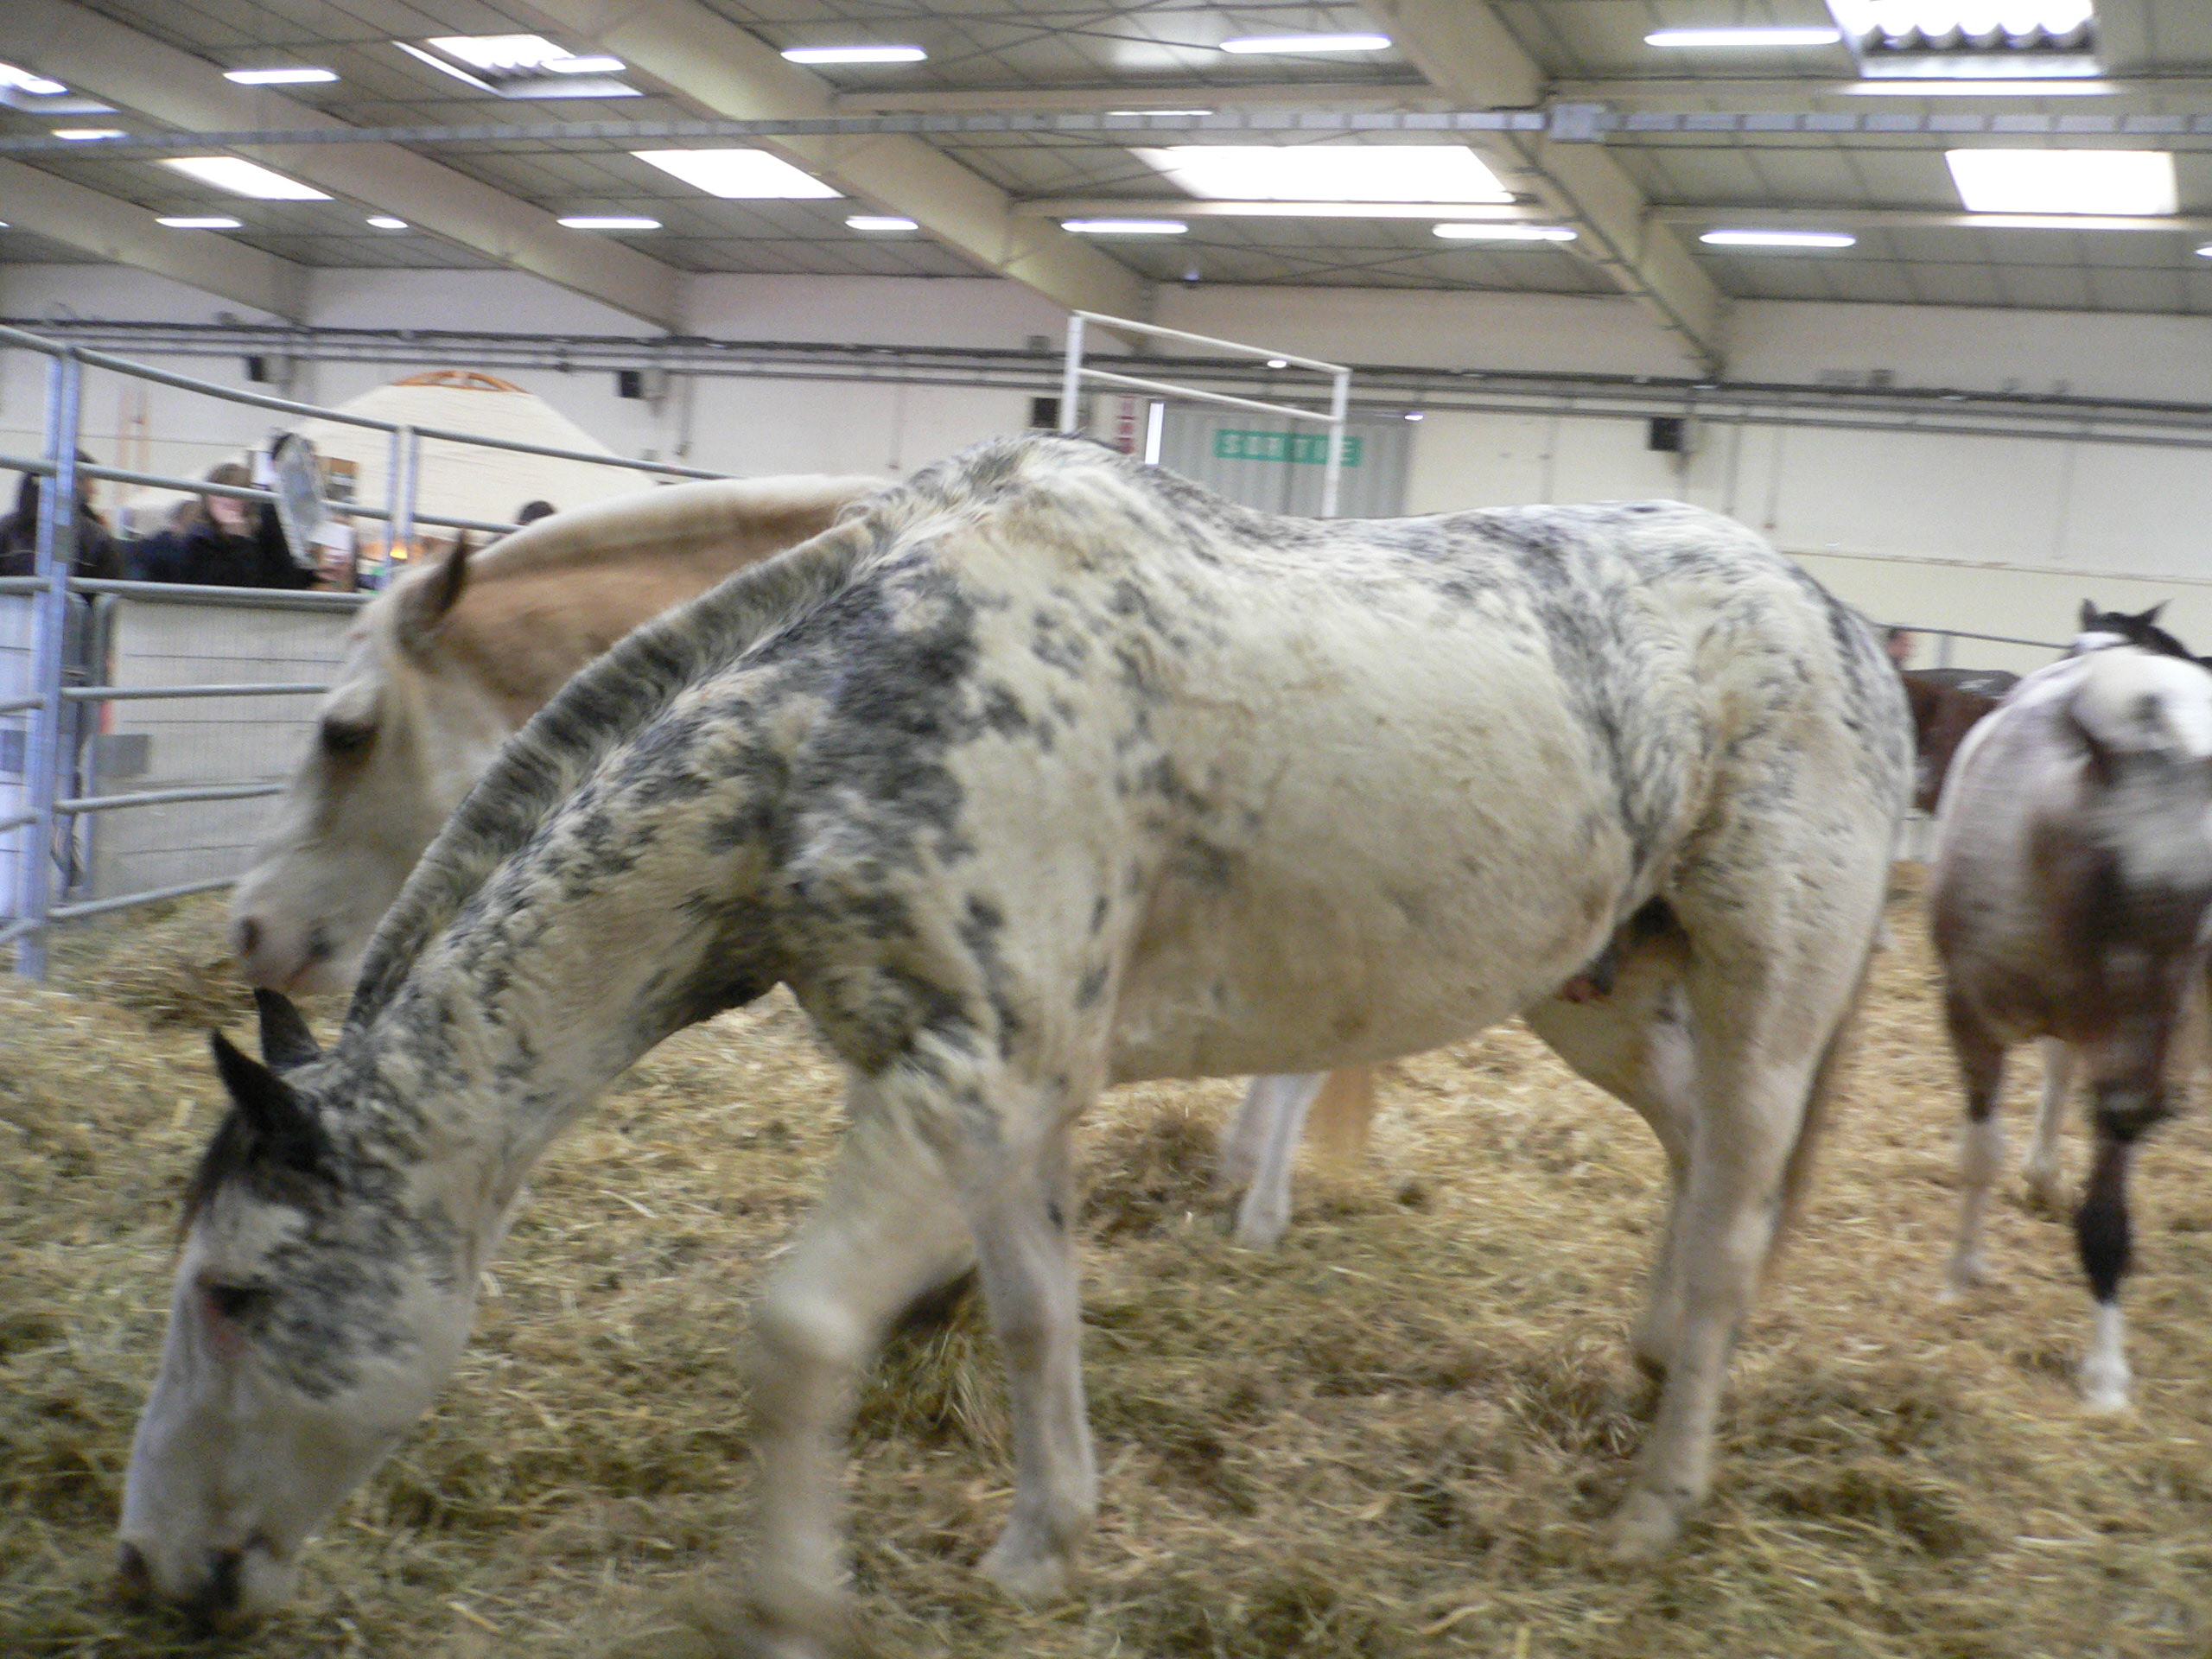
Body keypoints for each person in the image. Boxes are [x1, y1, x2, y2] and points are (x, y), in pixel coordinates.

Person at [130, 462, 314, 589]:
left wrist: (314, 574)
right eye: (221, 491)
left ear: (248, 500)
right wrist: (238, 540)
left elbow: (272, 580)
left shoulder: (257, 536)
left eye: (237, 493)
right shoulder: (196, 538)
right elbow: (219, 585)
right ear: (208, 496)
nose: (228, 501)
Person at [0, 457, 123, 579]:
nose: (94, 490)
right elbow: (110, 589)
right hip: (74, 596)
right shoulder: (96, 537)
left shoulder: (6, 529)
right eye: (89, 481)